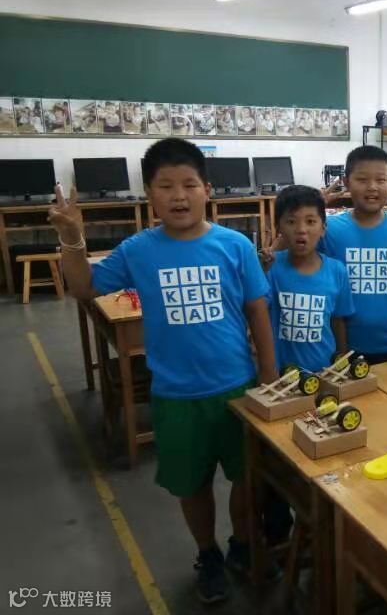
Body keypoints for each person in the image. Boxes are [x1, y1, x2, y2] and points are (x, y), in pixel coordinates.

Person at [47, 138, 278, 604]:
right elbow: (84, 287)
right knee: (192, 485)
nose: (178, 195)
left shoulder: (235, 245)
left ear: (206, 189)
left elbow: (257, 311)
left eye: (189, 184)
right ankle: (208, 555)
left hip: (237, 389)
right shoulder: (138, 250)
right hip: (176, 396)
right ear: (150, 194)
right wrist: (73, 238)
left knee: (247, 477)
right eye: (165, 186)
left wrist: (269, 379)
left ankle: (241, 543)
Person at [319, 145, 387, 364]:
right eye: (362, 180)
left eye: (381, 180)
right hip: (342, 345)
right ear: (347, 183)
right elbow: (289, 258)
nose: (372, 187)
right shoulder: (329, 229)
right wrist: (312, 206)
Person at [265, 185, 354, 372]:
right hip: (283, 375)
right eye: (291, 222)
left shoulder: (337, 271)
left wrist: (342, 363)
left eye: (310, 221)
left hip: (326, 371)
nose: (301, 230)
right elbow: (256, 315)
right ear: (279, 228)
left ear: (323, 228)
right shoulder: (271, 268)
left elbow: (338, 321)